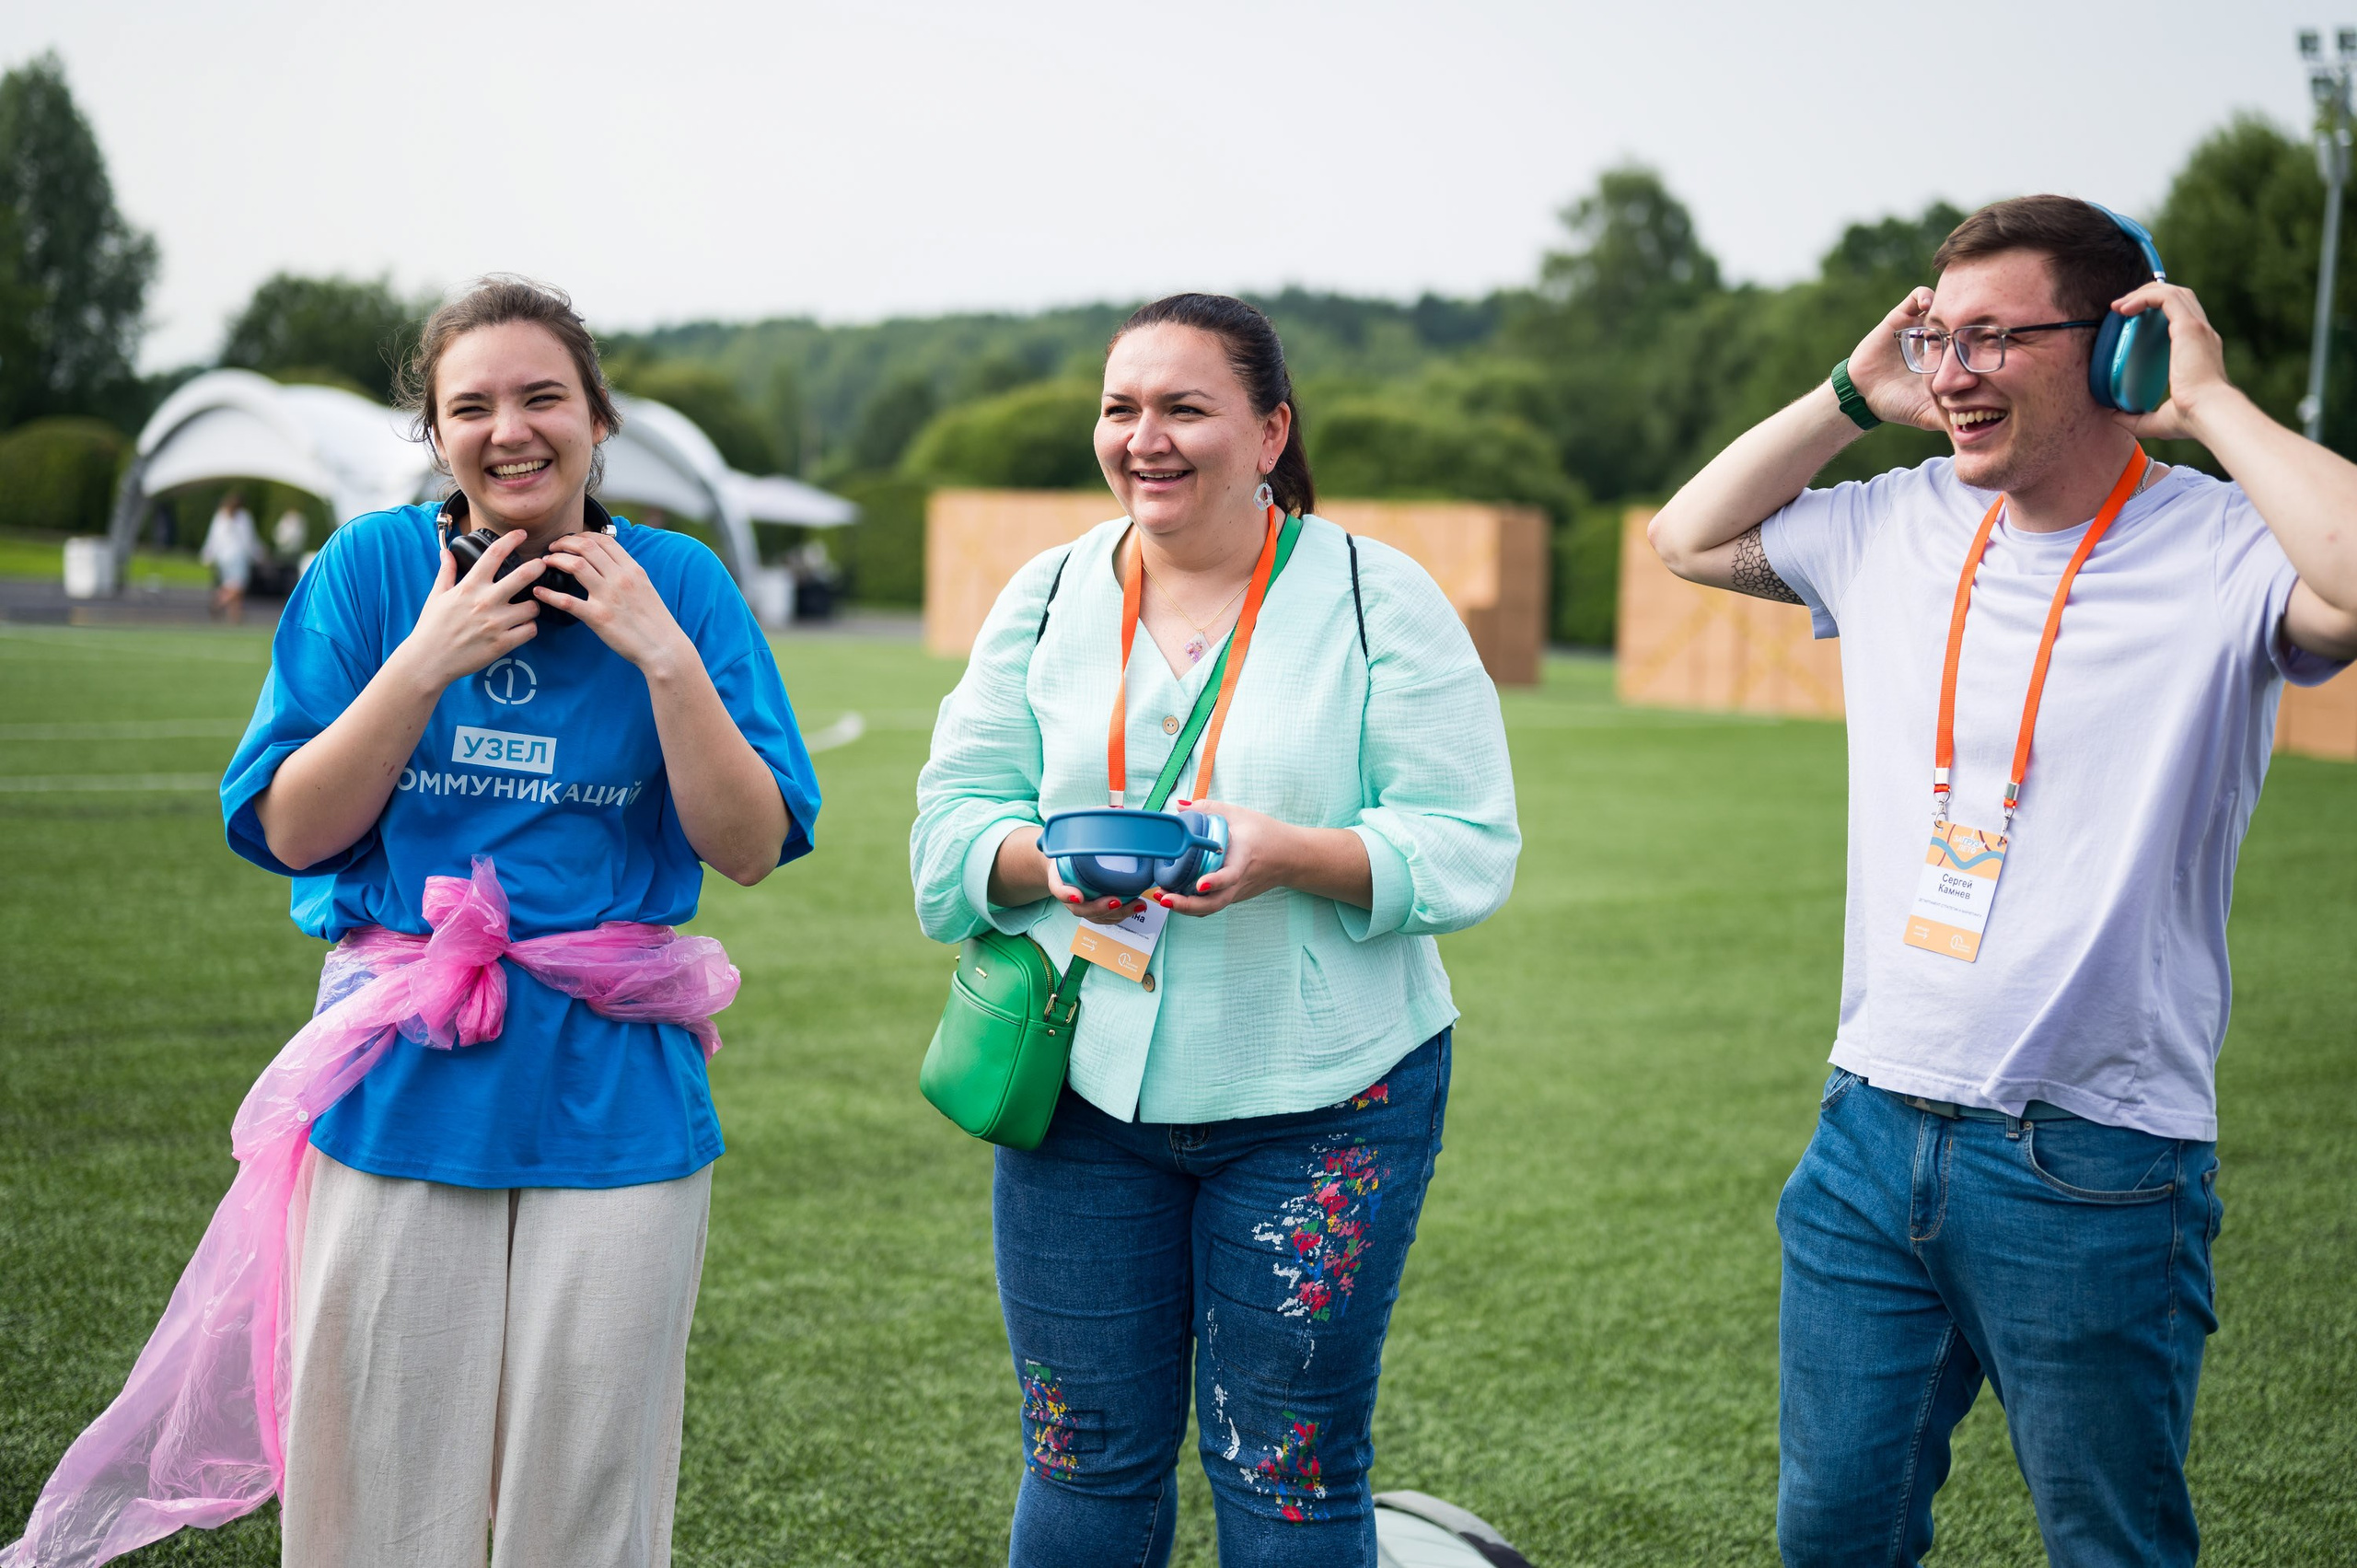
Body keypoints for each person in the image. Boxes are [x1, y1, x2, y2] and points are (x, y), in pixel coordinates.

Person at [3, 276, 820, 1568]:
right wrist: (426, 657)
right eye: (472, 405)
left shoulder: (683, 581)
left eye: (545, 395)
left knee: (588, 1493)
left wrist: (661, 651)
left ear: (598, 418)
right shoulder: (372, 568)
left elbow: (752, 844)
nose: (512, 429)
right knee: (376, 1487)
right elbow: (293, 828)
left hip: (615, 1091)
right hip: (398, 1070)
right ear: (434, 434)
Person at [1647, 196, 2357, 1566]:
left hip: (2091, 1150)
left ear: (2111, 355)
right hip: (1867, 1129)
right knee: (1832, 1536)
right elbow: (1687, 533)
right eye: (1936, 334)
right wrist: (1856, 389)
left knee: (2113, 1545)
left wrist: (2206, 402)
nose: (1951, 369)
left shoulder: (2223, 550)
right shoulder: (1893, 521)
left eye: (1990, 338)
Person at [911, 294, 1520, 1567]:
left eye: (1186, 406)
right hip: (1081, 1097)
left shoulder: (1373, 592)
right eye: (1122, 407)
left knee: (1289, 1471)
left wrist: (1285, 854)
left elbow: (1466, 842)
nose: (1148, 436)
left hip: (1328, 1093)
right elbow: (950, 829)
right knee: (1082, 1457)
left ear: (1268, 430)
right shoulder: (1048, 591)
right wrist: (1050, 862)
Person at [201, 490, 261, 621]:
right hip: (237, 557)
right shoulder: (244, 517)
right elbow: (249, 540)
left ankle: (235, 615)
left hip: (223, 558)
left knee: (231, 584)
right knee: (238, 587)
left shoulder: (220, 516)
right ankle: (219, 602)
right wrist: (258, 554)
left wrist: (207, 555)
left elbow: (213, 538)